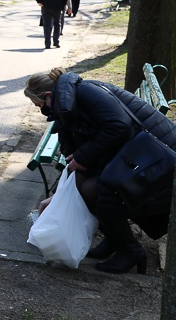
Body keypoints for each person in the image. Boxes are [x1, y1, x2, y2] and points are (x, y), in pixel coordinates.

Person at [24, 68, 175, 274]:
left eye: (39, 106)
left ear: (49, 96)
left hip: (159, 159)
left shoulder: (85, 93)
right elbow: (77, 146)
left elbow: (119, 126)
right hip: (138, 154)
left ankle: (130, 250)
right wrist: (62, 191)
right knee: (85, 186)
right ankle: (115, 240)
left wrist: (84, 157)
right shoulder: (73, 98)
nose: (42, 111)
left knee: (100, 191)